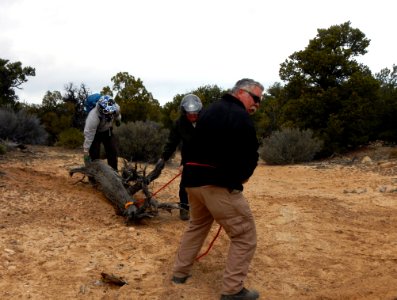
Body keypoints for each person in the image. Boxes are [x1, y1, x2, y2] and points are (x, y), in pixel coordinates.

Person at [171, 78, 264, 300]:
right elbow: (250, 154)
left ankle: (179, 273)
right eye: (256, 99)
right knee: (244, 235)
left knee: (197, 225)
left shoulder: (210, 110)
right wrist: (240, 178)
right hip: (217, 184)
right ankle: (232, 291)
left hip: (192, 182)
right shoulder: (240, 117)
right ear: (242, 93)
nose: (257, 105)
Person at [160, 94, 203, 220]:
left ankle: (205, 209)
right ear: (184, 112)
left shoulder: (207, 120)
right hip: (188, 156)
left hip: (205, 155)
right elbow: (172, 142)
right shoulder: (179, 123)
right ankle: (184, 208)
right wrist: (163, 158)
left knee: (205, 184)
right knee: (185, 184)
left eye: (195, 113)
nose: (193, 116)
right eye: (190, 114)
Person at [83, 95, 121, 171]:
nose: (110, 114)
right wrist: (86, 152)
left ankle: (114, 173)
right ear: (101, 110)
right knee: (94, 155)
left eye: (111, 112)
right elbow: (89, 135)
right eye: (108, 112)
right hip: (95, 134)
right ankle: (93, 177)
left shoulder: (115, 107)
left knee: (112, 152)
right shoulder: (93, 117)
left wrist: (118, 120)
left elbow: (117, 114)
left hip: (107, 131)